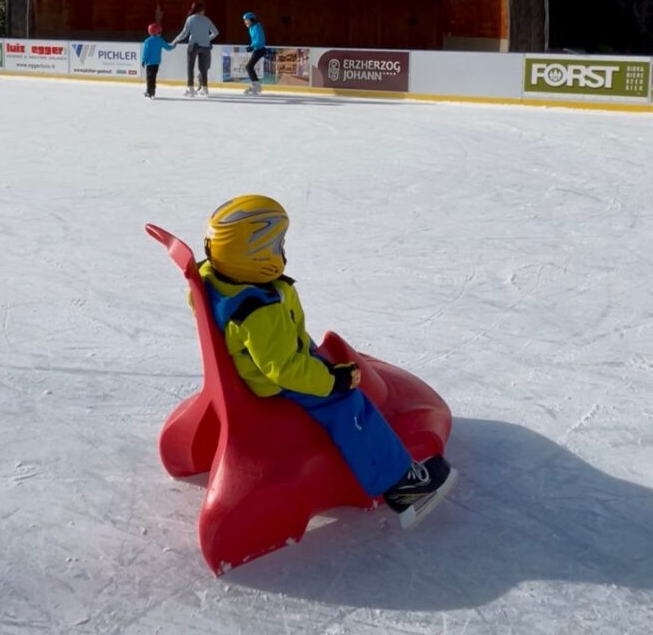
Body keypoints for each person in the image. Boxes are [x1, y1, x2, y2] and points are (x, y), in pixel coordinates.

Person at [195, 194, 457, 527]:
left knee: (339, 382)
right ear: (255, 256)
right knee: (348, 407)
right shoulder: (260, 312)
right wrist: (333, 381)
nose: (282, 252)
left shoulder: (215, 279)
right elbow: (285, 370)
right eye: (276, 247)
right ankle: (404, 487)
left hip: (262, 365)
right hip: (277, 381)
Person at [171, 2, 219, 97]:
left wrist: (176, 40)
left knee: (190, 67)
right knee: (203, 69)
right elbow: (216, 32)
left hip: (193, 45)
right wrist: (206, 39)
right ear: (201, 10)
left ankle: (190, 88)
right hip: (205, 47)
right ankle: (205, 89)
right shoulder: (207, 20)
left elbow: (185, 33)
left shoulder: (190, 19)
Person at [141, 23, 175, 98]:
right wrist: (174, 45)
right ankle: (151, 91)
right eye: (159, 32)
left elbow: (146, 52)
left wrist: (143, 60)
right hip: (156, 63)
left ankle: (150, 91)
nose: (160, 33)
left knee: (150, 77)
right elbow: (168, 48)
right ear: (155, 32)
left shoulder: (148, 41)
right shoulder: (160, 40)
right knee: (153, 77)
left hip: (150, 63)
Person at [242, 11, 267, 95]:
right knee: (249, 67)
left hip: (260, 49)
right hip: (257, 49)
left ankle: (256, 85)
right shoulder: (251, 28)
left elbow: (260, 40)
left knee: (249, 67)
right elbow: (255, 40)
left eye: (247, 20)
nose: (245, 22)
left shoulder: (256, 27)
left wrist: (252, 46)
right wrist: (251, 46)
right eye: (245, 21)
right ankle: (256, 84)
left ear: (252, 20)